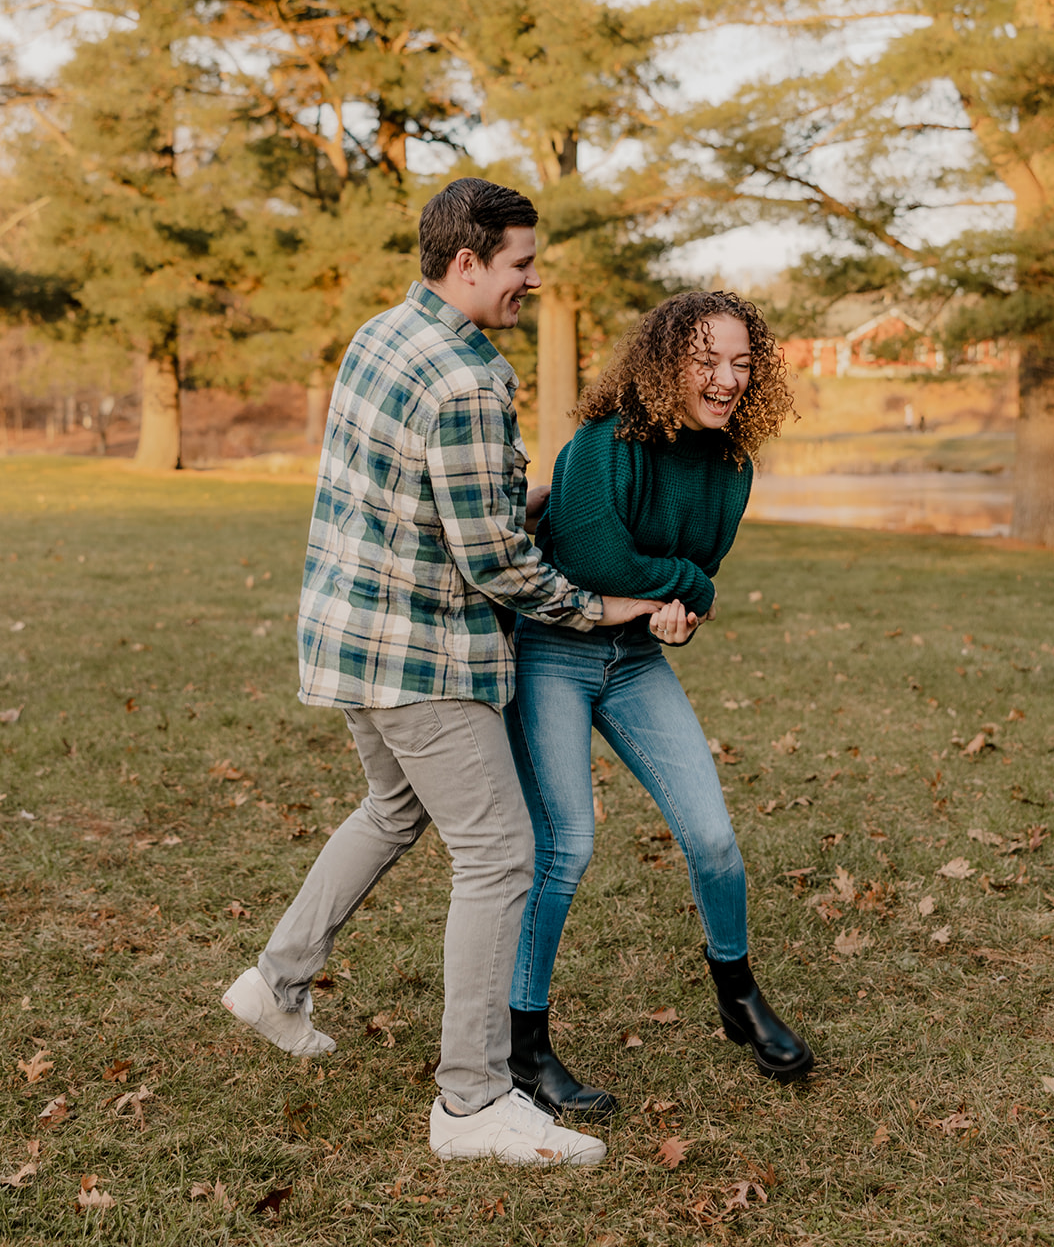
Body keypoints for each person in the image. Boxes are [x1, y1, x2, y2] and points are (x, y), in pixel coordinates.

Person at [221, 177, 654, 1166]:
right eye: (519, 264)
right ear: (467, 263)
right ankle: (468, 1100)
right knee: (499, 854)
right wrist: (601, 608)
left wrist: (527, 496)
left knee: (391, 810)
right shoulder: (469, 378)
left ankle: (275, 982)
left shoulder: (381, 332)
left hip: (349, 636)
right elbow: (494, 562)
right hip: (422, 654)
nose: (532, 281)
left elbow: (435, 501)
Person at [503, 290, 814, 1120]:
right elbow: (597, 551)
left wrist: (677, 615)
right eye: (706, 360)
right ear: (664, 361)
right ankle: (524, 1046)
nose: (726, 379)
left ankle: (736, 995)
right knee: (565, 846)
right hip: (550, 655)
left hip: (636, 661)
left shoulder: (730, 469)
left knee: (712, 835)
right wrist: (685, 588)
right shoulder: (606, 444)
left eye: (743, 363)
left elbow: (681, 585)